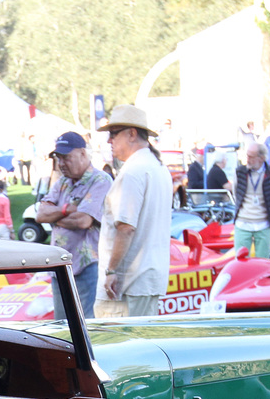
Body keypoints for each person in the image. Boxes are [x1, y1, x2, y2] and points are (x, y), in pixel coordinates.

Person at [96, 104, 171, 319]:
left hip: (127, 283)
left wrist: (111, 271)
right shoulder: (157, 167)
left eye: (113, 134)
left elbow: (126, 228)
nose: (109, 140)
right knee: (142, 345)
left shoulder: (134, 171)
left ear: (132, 134)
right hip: (145, 279)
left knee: (115, 347)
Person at [36, 131, 112, 315]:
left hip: (87, 266)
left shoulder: (100, 180)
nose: (61, 164)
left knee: (86, 326)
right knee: (62, 327)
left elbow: (83, 220)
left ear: (83, 154)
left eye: (66, 158)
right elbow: (40, 215)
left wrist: (55, 217)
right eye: (59, 158)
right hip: (60, 266)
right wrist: (65, 209)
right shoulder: (62, 182)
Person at [231, 142, 270, 259]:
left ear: (261, 158)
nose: (248, 159)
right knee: (240, 261)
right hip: (243, 222)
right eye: (247, 155)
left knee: (263, 262)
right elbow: (235, 193)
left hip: (264, 223)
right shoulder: (239, 172)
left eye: (251, 156)